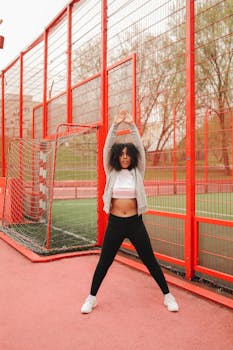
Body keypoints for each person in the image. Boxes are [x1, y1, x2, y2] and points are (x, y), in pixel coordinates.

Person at [81, 110, 179, 313]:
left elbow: (141, 151)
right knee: (104, 262)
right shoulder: (111, 171)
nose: (125, 158)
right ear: (117, 157)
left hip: (135, 223)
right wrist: (115, 126)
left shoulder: (138, 172)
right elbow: (107, 148)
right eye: (122, 155)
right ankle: (91, 298)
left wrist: (132, 125)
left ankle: (168, 296)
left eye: (128, 155)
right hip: (115, 224)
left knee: (150, 260)